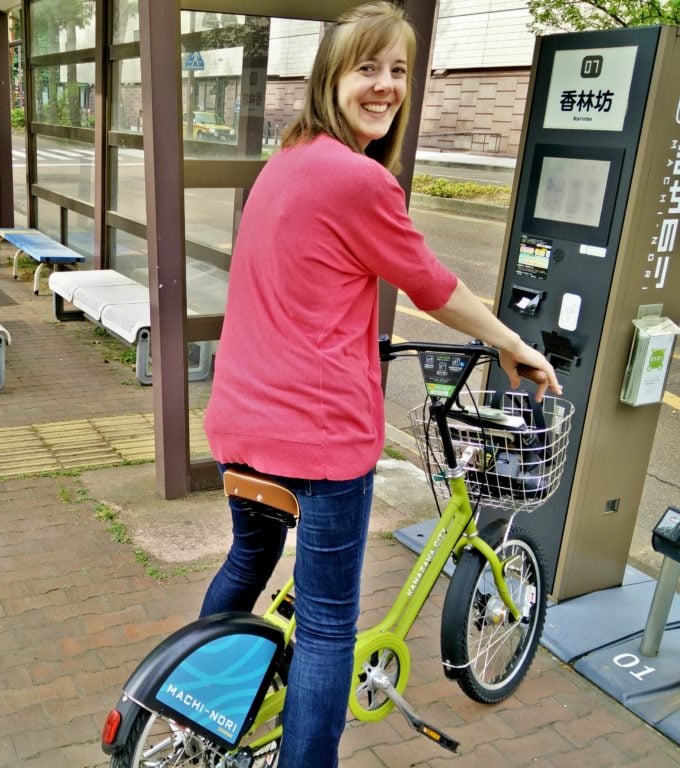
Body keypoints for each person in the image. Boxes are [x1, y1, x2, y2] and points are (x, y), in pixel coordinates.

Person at [199, 3, 562, 766]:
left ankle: (204, 711)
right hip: (318, 440)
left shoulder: (286, 162)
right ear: (330, 76)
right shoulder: (356, 179)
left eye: (399, 71)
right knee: (330, 626)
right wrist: (508, 342)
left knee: (246, 564)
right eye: (367, 67)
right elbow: (433, 285)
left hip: (242, 423)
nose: (386, 85)